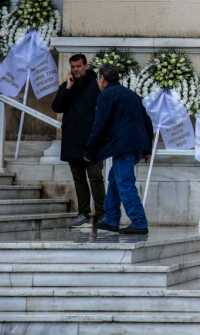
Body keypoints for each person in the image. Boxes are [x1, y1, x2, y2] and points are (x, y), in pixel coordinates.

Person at [85, 63, 154, 235]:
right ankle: (111, 219)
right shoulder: (132, 94)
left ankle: (139, 222)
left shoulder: (107, 95)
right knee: (115, 180)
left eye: (98, 79)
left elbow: (100, 125)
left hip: (123, 147)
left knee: (124, 183)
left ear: (102, 79)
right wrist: (147, 148)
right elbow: (147, 122)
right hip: (136, 145)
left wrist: (89, 152)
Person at [51, 53, 103, 228]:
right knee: (78, 179)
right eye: (73, 67)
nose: (75, 70)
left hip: (92, 139)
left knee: (96, 177)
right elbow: (56, 107)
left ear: (86, 66)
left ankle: (103, 216)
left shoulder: (97, 84)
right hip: (72, 139)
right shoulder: (67, 85)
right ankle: (83, 214)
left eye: (78, 66)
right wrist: (67, 87)